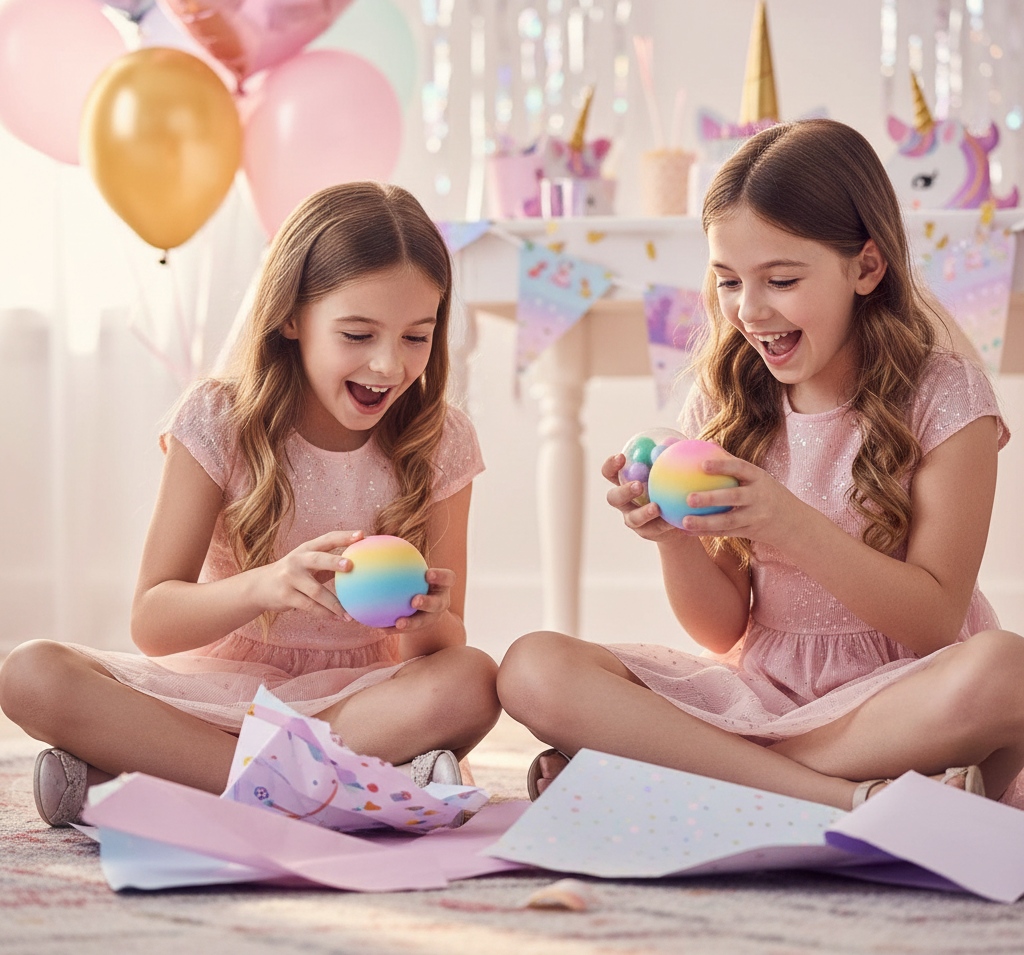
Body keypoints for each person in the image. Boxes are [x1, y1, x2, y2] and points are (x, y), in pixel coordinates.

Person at [498, 119, 1024, 811]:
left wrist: (787, 523)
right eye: (726, 282)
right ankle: (831, 795)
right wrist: (671, 539)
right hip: (762, 697)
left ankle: (686, 773)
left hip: (899, 695)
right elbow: (722, 629)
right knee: (533, 668)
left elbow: (932, 620)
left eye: (780, 279)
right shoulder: (727, 396)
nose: (749, 311)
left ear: (866, 267)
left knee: (1007, 672)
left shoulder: (946, 396)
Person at [0, 181, 501, 826]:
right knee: (30, 673)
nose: (387, 364)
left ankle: (161, 780)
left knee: (473, 680)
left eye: (416, 337)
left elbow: (442, 646)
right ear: (291, 317)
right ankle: (335, 789)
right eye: (357, 333)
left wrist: (425, 619)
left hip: (355, 702)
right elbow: (153, 622)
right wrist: (264, 586)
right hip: (217, 693)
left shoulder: (442, 439)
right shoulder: (218, 419)